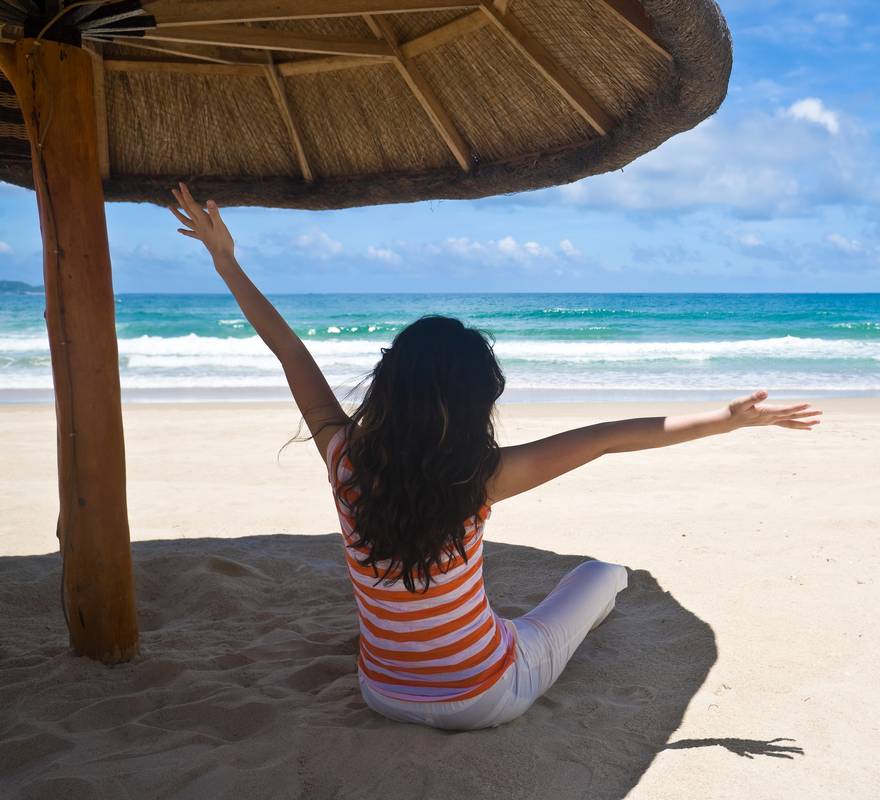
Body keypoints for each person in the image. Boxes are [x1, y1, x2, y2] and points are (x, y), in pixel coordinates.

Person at [169, 183, 822, 730]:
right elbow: (609, 436)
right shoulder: (478, 479)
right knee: (599, 575)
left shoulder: (343, 457)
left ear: (388, 383)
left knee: (500, 614)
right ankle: (604, 585)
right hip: (483, 699)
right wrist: (728, 420)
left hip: (381, 693)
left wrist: (225, 261)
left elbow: (289, 351)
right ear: (478, 402)